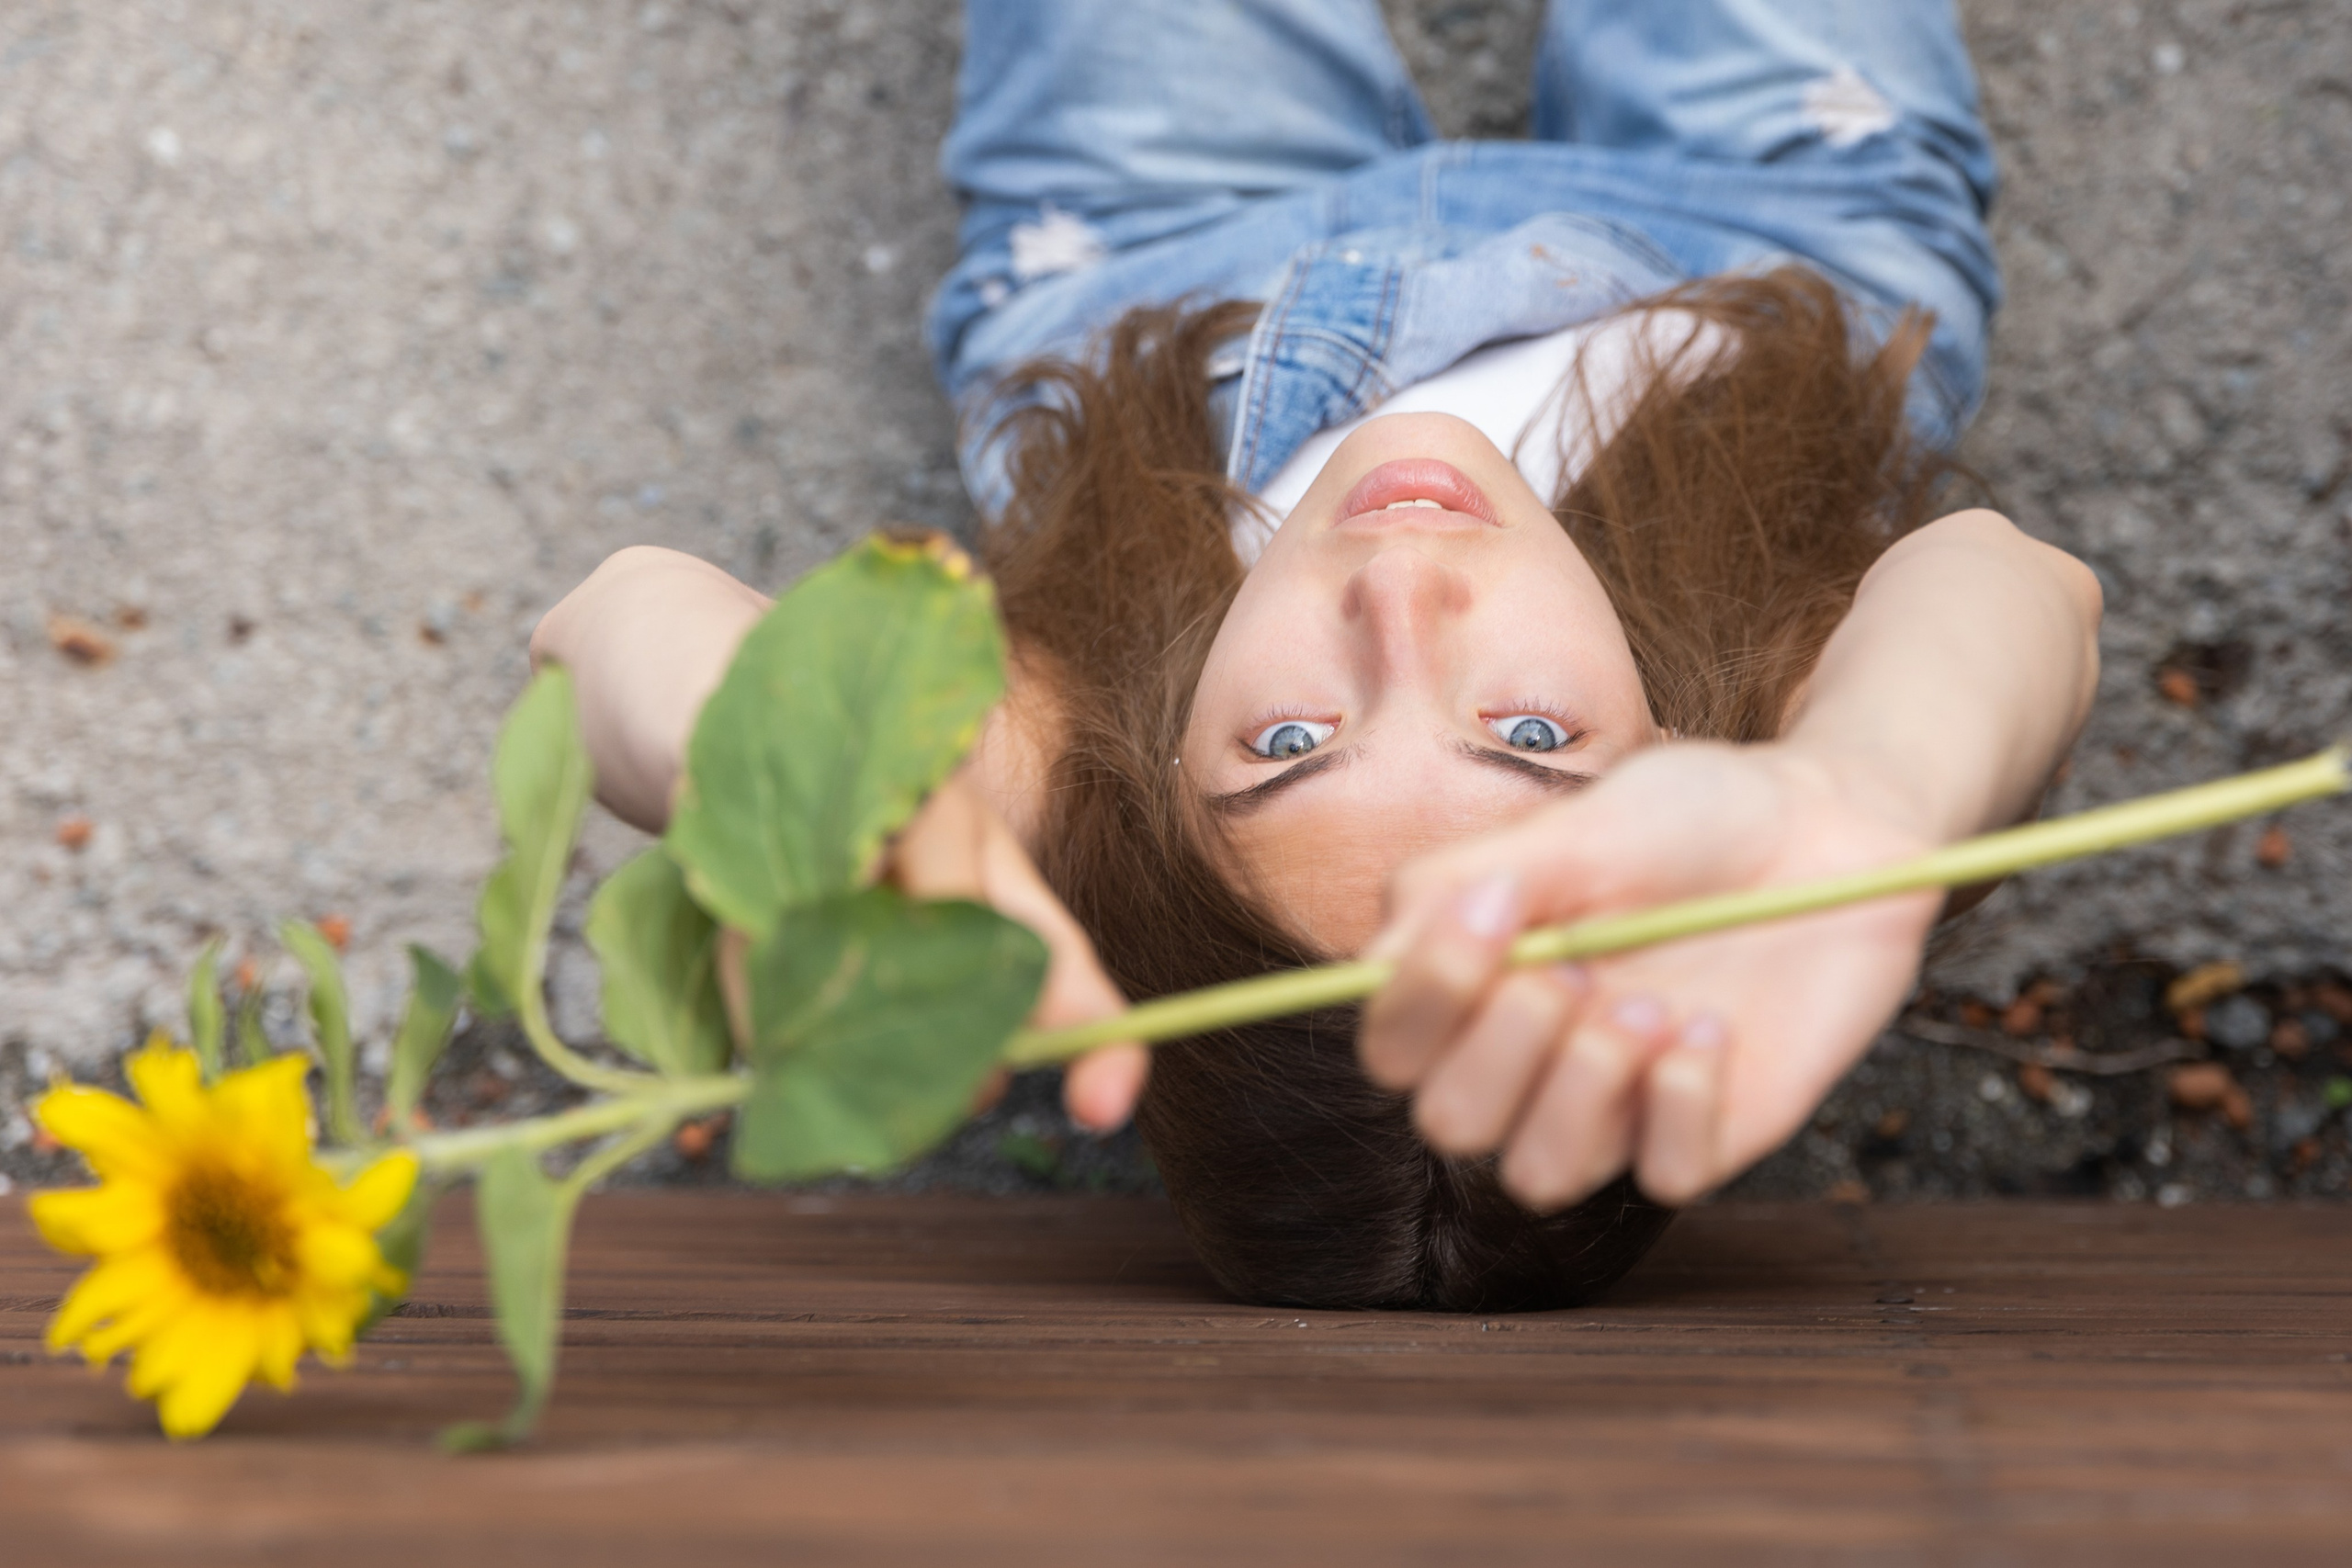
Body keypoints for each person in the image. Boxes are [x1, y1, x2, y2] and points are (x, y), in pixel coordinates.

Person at [532, 1, 2101, 1311]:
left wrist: (790, 793)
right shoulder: (1789, 773)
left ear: (1145, 805)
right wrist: (1873, 796)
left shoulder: (1072, 783)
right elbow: (2011, 590)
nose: (1399, 602)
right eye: (1535, 740)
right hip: (1775, 213)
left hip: (1165, 242)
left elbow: (613, 618)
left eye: (1287, 748)